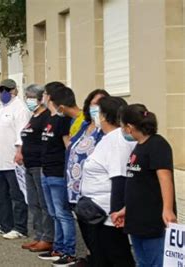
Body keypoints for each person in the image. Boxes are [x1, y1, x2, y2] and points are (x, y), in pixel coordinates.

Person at [112, 104, 176, 266]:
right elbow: (139, 183)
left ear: (130, 127)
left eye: (122, 126)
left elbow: (165, 178)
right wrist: (126, 209)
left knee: (156, 261)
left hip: (152, 218)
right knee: (142, 262)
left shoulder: (157, 145)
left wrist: (167, 209)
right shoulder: (138, 147)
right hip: (136, 218)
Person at [79, 96, 136, 267]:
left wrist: (115, 214)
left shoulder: (116, 140)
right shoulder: (108, 138)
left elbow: (119, 179)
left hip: (106, 215)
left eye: (98, 112)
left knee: (115, 257)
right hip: (96, 211)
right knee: (100, 257)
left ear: (104, 116)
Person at [64, 89, 109, 262]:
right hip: (75, 189)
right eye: (92, 104)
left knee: (97, 233)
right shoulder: (84, 126)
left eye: (99, 105)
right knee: (85, 229)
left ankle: (98, 258)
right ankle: (91, 256)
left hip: (94, 191)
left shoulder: (104, 131)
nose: (95, 108)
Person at [0, 79, 30, 239]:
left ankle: (20, 227)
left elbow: (22, 133)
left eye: (8, 90)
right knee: (1, 194)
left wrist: (20, 151)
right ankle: (5, 225)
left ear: (15, 90)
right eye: (1, 89)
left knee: (17, 195)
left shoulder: (20, 109)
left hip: (12, 160)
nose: (4, 93)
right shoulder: (2, 108)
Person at [37, 84, 76, 265]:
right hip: (46, 171)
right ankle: (58, 247)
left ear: (50, 97)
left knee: (62, 213)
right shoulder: (49, 118)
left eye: (45, 94)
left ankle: (69, 251)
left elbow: (68, 146)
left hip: (57, 172)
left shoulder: (62, 121)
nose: (42, 97)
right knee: (53, 212)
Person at [18, 84, 54, 252]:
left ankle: (47, 237)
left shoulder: (45, 116)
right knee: (33, 202)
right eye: (27, 97)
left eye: (31, 97)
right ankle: (38, 235)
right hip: (29, 164)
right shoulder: (33, 116)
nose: (29, 100)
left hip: (39, 165)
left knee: (43, 203)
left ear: (40, 99)